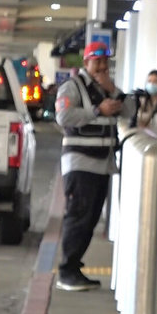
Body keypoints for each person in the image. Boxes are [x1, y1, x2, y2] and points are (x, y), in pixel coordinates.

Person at [54, 41, 136, 291]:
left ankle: (75, 266)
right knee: (79, 216)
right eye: (96, 61)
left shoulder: (108, 88)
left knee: (89, 219)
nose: (101, 66)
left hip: (102, 164)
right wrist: (96, 110)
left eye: (105, 62)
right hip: (80, 162)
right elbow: (64, 116)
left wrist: (114, 91)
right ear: (86, 62)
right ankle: (66, 271)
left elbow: (129, 112)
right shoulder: (73, 87)